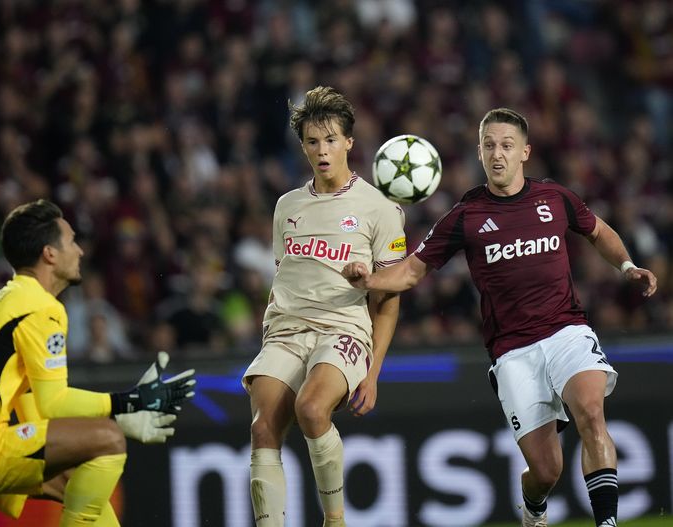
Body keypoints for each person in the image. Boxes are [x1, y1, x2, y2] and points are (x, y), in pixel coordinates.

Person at [343, 108, 658, 527]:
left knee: (591, 411)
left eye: (507, 145)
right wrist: (369, 280)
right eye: (489, 145)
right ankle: (534, 506)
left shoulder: (554, 197)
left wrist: (627, 266)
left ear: (525, 151)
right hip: (512, 351)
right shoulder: (465, 216)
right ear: (479, 152)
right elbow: (412, 272)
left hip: (567, 330)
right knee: (546, 471)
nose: (498, 153)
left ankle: (607, 522)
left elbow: (599, 231)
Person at [0, 199, 196, 525]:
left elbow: (33, 403)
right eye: (72, 241)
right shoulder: (41, 308)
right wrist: (127, 404)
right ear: (49, 254)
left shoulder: (11, 301)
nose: (80, 251)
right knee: (109, 439)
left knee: (72, 481)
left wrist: (109, 417)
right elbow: (54, 402)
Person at [242, 86, 407, 526]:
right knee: (261, 429)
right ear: (302, 147)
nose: (322, 150)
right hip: (286, 330)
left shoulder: (379, 208)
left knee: (312, 409)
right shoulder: (287, 207)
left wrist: (373, 372)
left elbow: (387, 300)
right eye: (312, 142)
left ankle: (335, 520)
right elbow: (285, 275)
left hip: (343, 329)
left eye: (331, 140)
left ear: (349, 142)